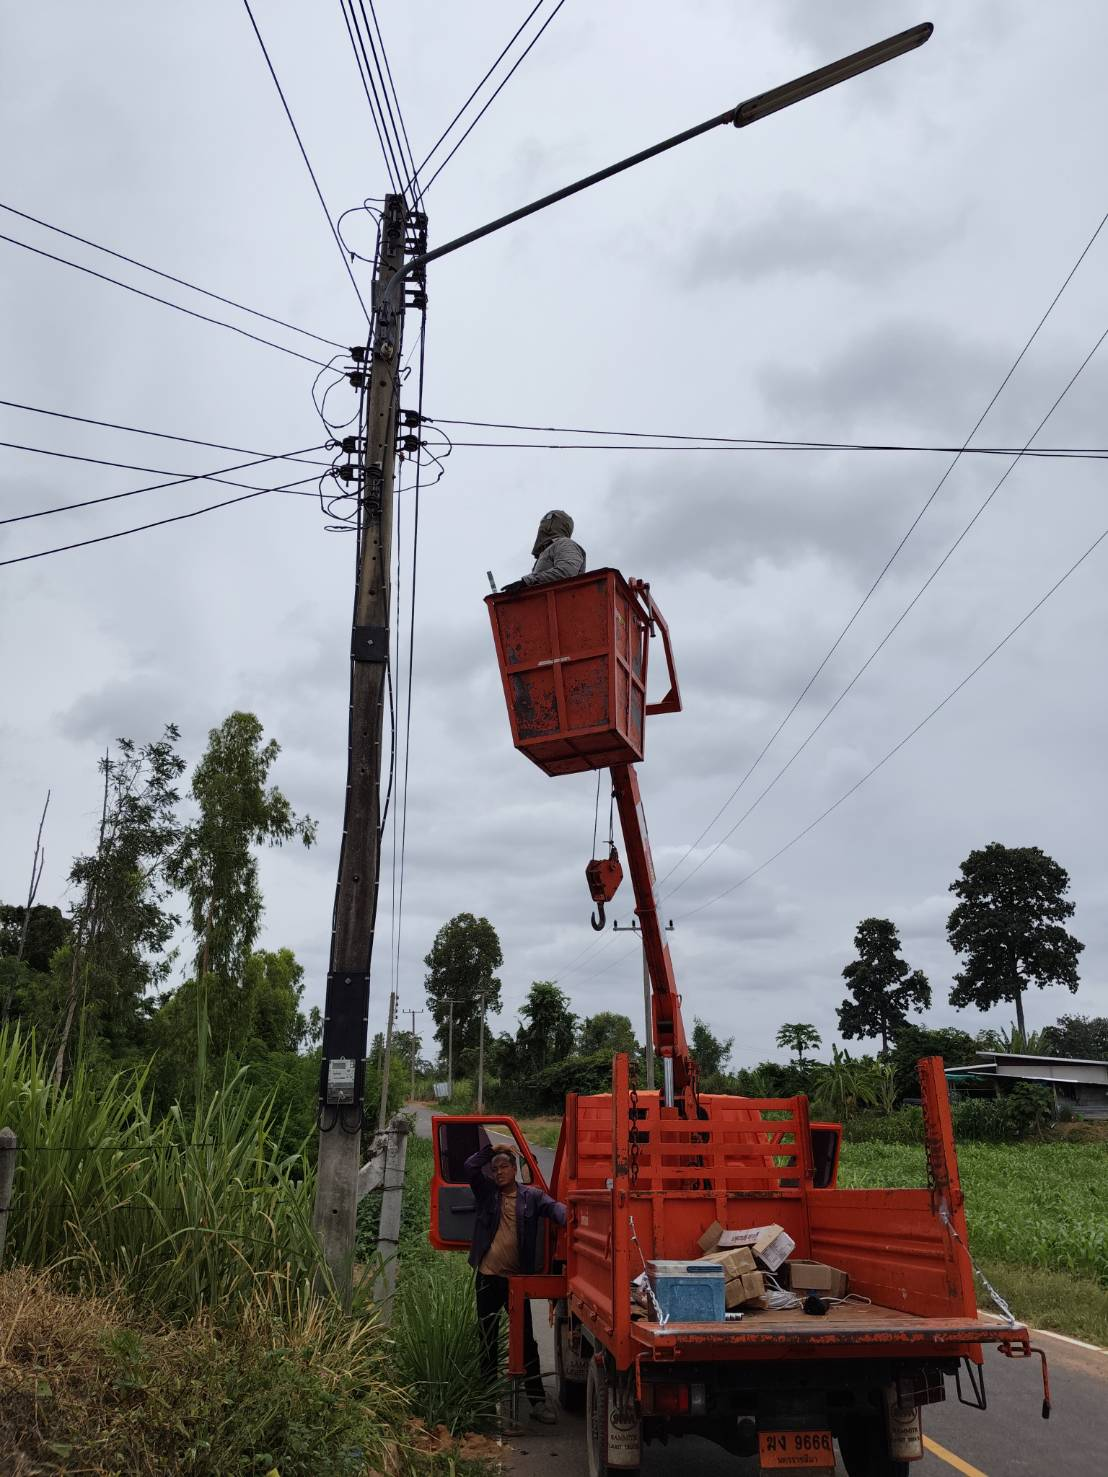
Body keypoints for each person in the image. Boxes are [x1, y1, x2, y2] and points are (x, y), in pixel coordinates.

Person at [465, 1141, 567, 1424]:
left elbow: (555, 1209)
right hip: (487, 1277)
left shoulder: (531, 1197)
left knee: (526, 1342)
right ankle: (485, 1400)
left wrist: (575, 1218)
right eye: (494, 1168)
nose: (498, 1172)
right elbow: (470, 1167)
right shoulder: (487, 1194)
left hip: (515, 1283)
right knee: (487, 1339)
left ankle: (536, 1401)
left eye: (503, 1167)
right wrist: (489, 1150)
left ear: (514, 1169)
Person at [501, 509, 585, 593]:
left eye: (548, 519)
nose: (542, 525)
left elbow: (567, 572)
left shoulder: (564, 543)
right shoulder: (545, 552)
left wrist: (527, 581)